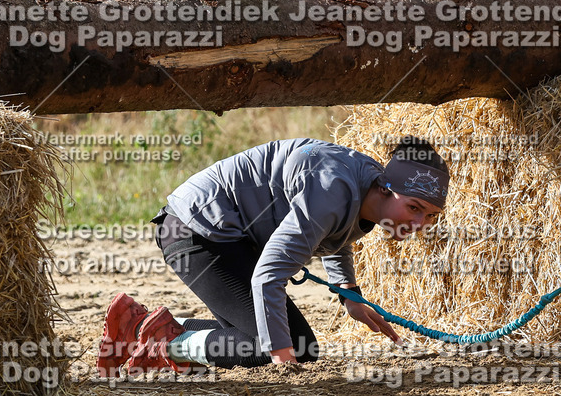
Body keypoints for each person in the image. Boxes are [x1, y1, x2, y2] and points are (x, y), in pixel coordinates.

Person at [97, 135, 448, 377]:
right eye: (414, 208)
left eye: (430, 215)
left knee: (274, 339)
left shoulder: (365, 184)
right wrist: (282, 362)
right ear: (385, 189)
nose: (419, 223)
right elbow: (268, 274)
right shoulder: (334, 188)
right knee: (287, 347)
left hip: (223, 235)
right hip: (193, 230)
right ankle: (164, 343)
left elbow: (337, 231)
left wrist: (348, 293)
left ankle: (143, 329)